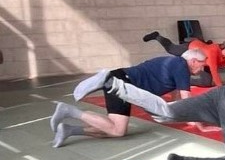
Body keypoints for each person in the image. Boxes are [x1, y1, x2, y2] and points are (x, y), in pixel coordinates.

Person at [49, 52, 207, 147]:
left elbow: (176, 97)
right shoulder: (181, 66)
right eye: (202, 65)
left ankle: (69, 130)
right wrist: (199, 125)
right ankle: (70, 111)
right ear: (193, 61)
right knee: (117, 131)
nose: (202, 69)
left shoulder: (174, 63)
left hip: (122, 79)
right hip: (123, 83)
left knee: (115, 129)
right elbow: (186, 98)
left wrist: (186, 119)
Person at [142, 31, 225, 87]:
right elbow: (213, 69)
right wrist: (220, 87)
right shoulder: (213, 51)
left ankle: (181, 80)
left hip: (203, 61)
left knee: (206, 83)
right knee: (171, 49)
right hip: (191, 48)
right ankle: (157, 36)